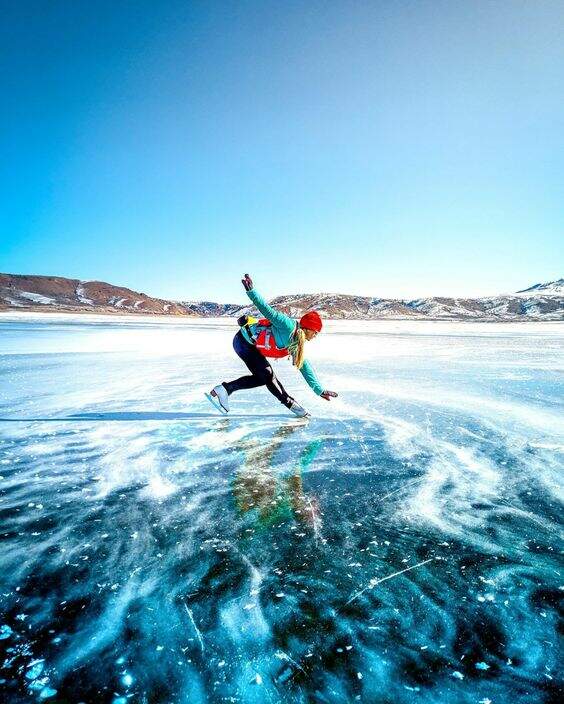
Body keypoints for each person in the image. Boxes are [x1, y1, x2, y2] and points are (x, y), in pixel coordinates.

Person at [206, 274, 338, 417]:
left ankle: (225, 389)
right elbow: (266, 309)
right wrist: (252, 292)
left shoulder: (296, 344)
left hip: (253, 347)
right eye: (316, 332)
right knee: (267, 375)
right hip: (243, 341)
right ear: (307, 328)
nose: (316, 335)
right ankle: (292, 405)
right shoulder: (287, 325)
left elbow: (304, 366)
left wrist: (319, 390)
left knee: (264, 376)